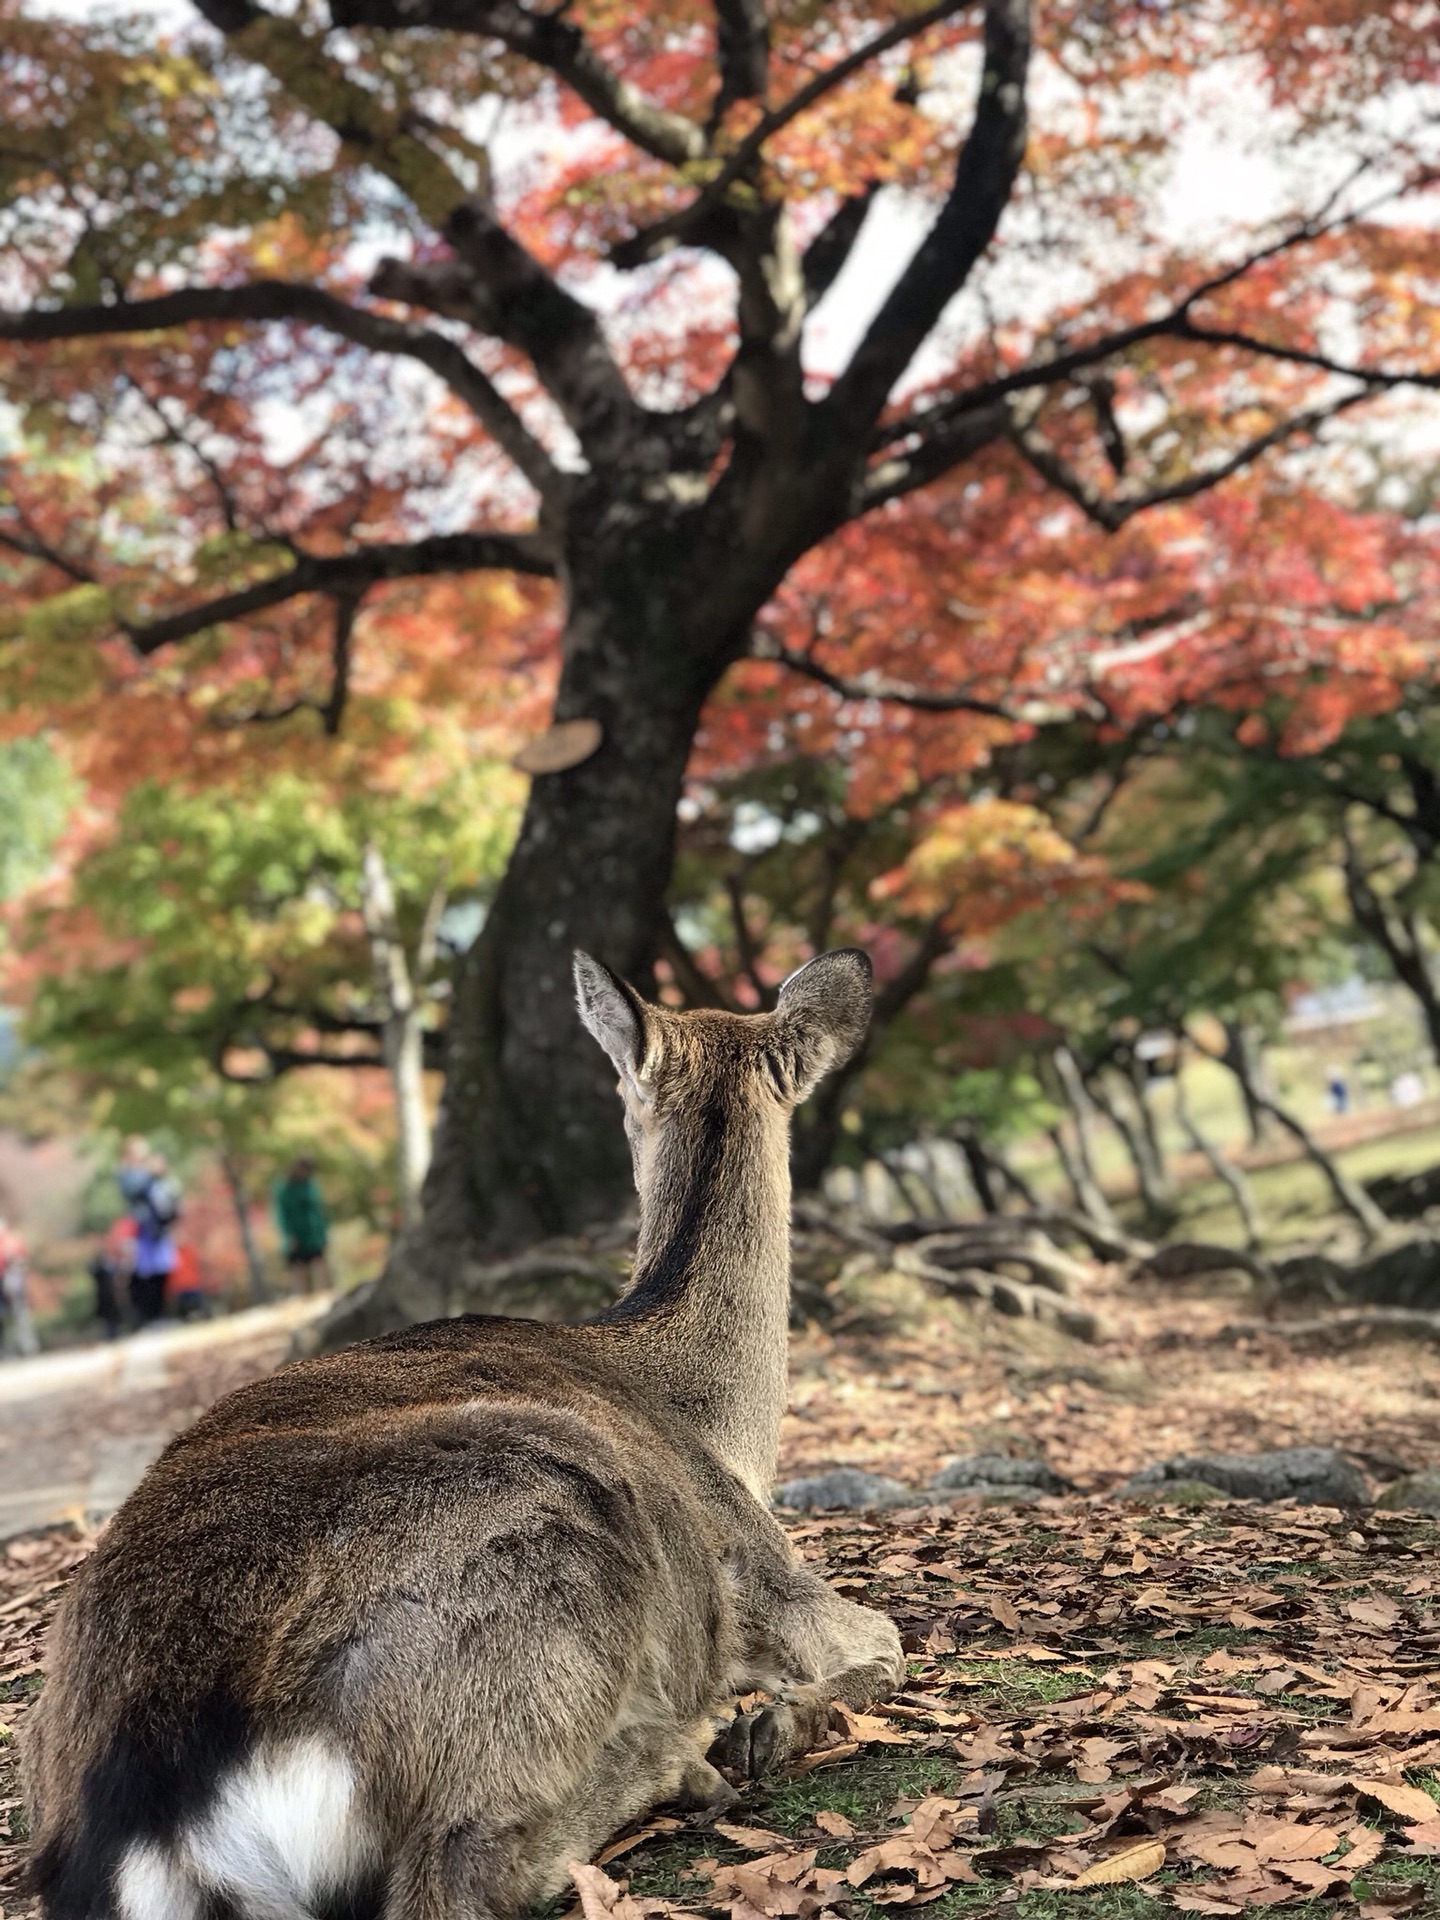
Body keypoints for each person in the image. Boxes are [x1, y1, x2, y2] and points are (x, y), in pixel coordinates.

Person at [121, 1148, 181, 1325]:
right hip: (144, 1233)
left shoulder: (164, 1182)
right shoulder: (132, 1177)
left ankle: (161, 1315)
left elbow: (171, 1204)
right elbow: (132, 1193)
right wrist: (150, 1176)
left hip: (160, 1233)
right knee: (147, 1276)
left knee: (163, 1274)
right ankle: (150, 1317)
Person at [274, 1157, 330, 1294]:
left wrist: (323, 1230)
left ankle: (323, 1294)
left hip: (314, 1233)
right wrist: (289, 1234)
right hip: (296, 1234)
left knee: (320, 1263)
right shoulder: (284, 1188)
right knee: (299, 1268)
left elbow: (319, 1209)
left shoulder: (310, 1185)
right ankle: (301, 1297)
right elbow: (281, 1214)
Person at [0, 1215, 39, 1357]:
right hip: (10, 1282)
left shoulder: (11, 1242)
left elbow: (21, 1260)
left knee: (18, 1315)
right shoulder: (13, 1240)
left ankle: (24, 1347)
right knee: (15, 1316)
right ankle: (18, 1348)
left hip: (11, 1281)